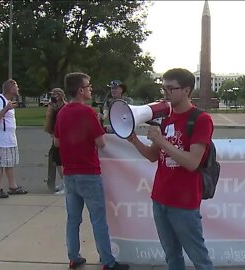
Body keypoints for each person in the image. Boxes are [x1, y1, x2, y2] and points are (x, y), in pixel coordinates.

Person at [127, 68, 214, 270]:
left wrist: (161, 140)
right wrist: (133, 140)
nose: (165, 92)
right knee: (172, 257)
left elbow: (193, 162)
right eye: (163, 87)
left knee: (199, 258)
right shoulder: (166, 119)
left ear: (186, 90)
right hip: (160, 198)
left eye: (170, 88)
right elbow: (152, 156)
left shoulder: (201, 119)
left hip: (184, 204)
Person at [54, 72, 129, 270]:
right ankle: (107, 261)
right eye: (88, 86)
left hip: (70, 173)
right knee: (98, 219)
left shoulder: (62, 112)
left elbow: (57, 141)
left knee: (73, 219)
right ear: (80, 90)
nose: (91, 89)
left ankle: (73, 256)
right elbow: (101, 143)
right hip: (89, 172)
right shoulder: (87, 113)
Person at [0, 79, 28, 198]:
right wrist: (6, 108)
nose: (18, 88)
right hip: (0, 140)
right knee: (0, 164)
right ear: (11, 89)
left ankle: (13, 186)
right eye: (16, 86)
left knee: (9, 164)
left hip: (9, 139)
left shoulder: (8, 101)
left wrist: (9, 107)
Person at [44, 88, 67, 194]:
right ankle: (63, 181)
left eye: (55, 95)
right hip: (55, 136)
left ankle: (66, 183)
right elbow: (49, 121)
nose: (53, 97)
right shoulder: (52, 107)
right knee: (57, 160)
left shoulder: (65, 107)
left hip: (63, 137)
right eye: (52, 95)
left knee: (60, 161)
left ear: (61, 96)